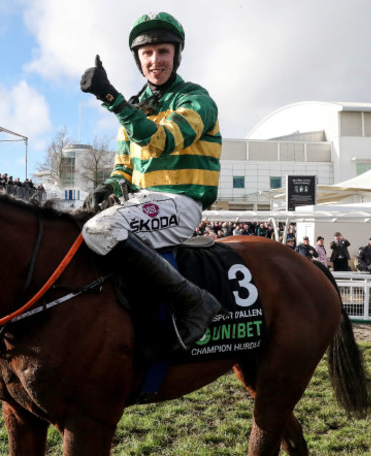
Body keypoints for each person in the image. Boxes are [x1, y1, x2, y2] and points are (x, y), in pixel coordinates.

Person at [79, 11, 222, 350]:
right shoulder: (133, 108)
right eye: (147, 53)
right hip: (141, 202)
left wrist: (111, 99)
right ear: (138, 59)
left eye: (163, 52)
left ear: (176, 55)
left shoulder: (196, 100)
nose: (155, 60)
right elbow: (123, 171)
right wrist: (107, 188)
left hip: (182, 203)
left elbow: (162, 140)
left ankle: (194, 303)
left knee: (99, 230)